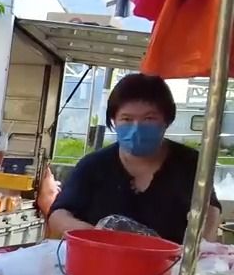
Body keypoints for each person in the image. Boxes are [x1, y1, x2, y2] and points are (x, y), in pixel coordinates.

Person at [49, 73, 221, 243]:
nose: (137, 128)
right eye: (127, 119)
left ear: (167, 120)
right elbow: (58, 215)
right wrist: (97, 236)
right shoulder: (93, 165)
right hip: (103, 262)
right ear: (114, 121)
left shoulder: (191, 163)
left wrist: (200, 248)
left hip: (171, 266)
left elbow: (210, 210)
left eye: (149, 118)